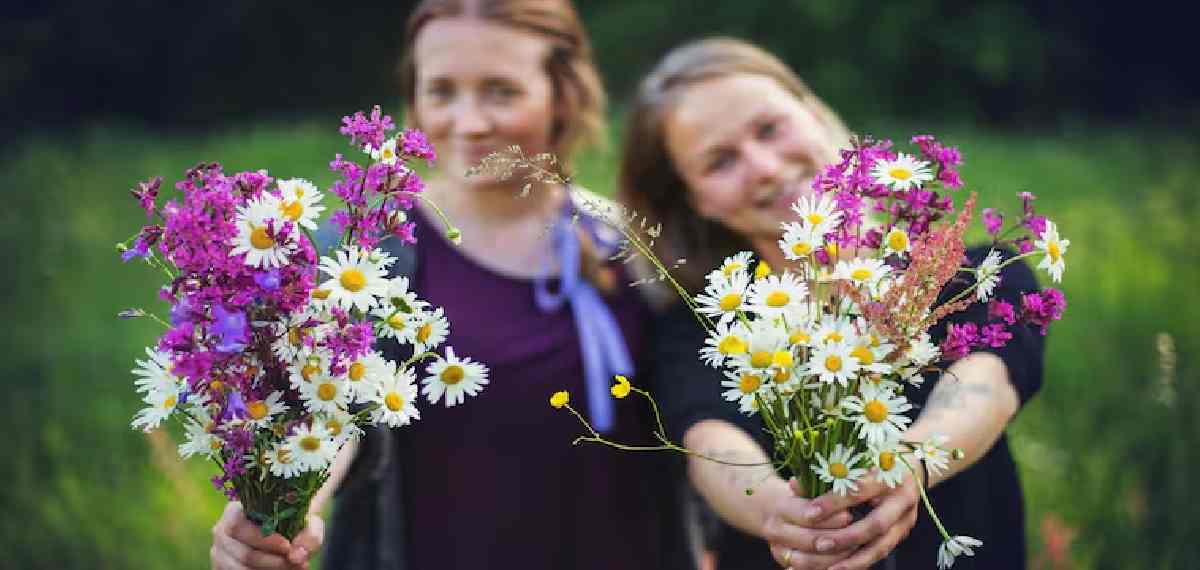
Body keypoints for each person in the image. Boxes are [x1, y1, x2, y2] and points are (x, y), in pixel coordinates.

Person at [209, 1, 687, 568]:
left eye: (500, 91)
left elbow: (689, 410)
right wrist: (294, 500)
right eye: (441, 91)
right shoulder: (373, 253)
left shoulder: (625, 241)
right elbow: (337, 409)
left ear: (563, 93)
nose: (470, 122)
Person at [620, 37, 1045, 569]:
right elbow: (712, 441)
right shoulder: (706, 325)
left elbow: (988, 386)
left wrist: (906, 467)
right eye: (720, 161)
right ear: (694, 199)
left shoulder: (971, 277)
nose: (766, 168)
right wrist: (781, 513)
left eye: (770, 129)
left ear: (813, 113)